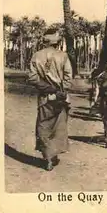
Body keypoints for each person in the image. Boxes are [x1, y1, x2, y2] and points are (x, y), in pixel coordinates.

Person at [27, 29, 72, 171]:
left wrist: (47, 88)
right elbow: (68, 77)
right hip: (60, 97)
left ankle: (47, 157)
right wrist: (61, 91)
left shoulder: (36, 56)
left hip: (45, 98)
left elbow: (32, 78)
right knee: (58, 127)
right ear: (57, 42)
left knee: (43, 126)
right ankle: (53, 155)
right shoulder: (63, 56)